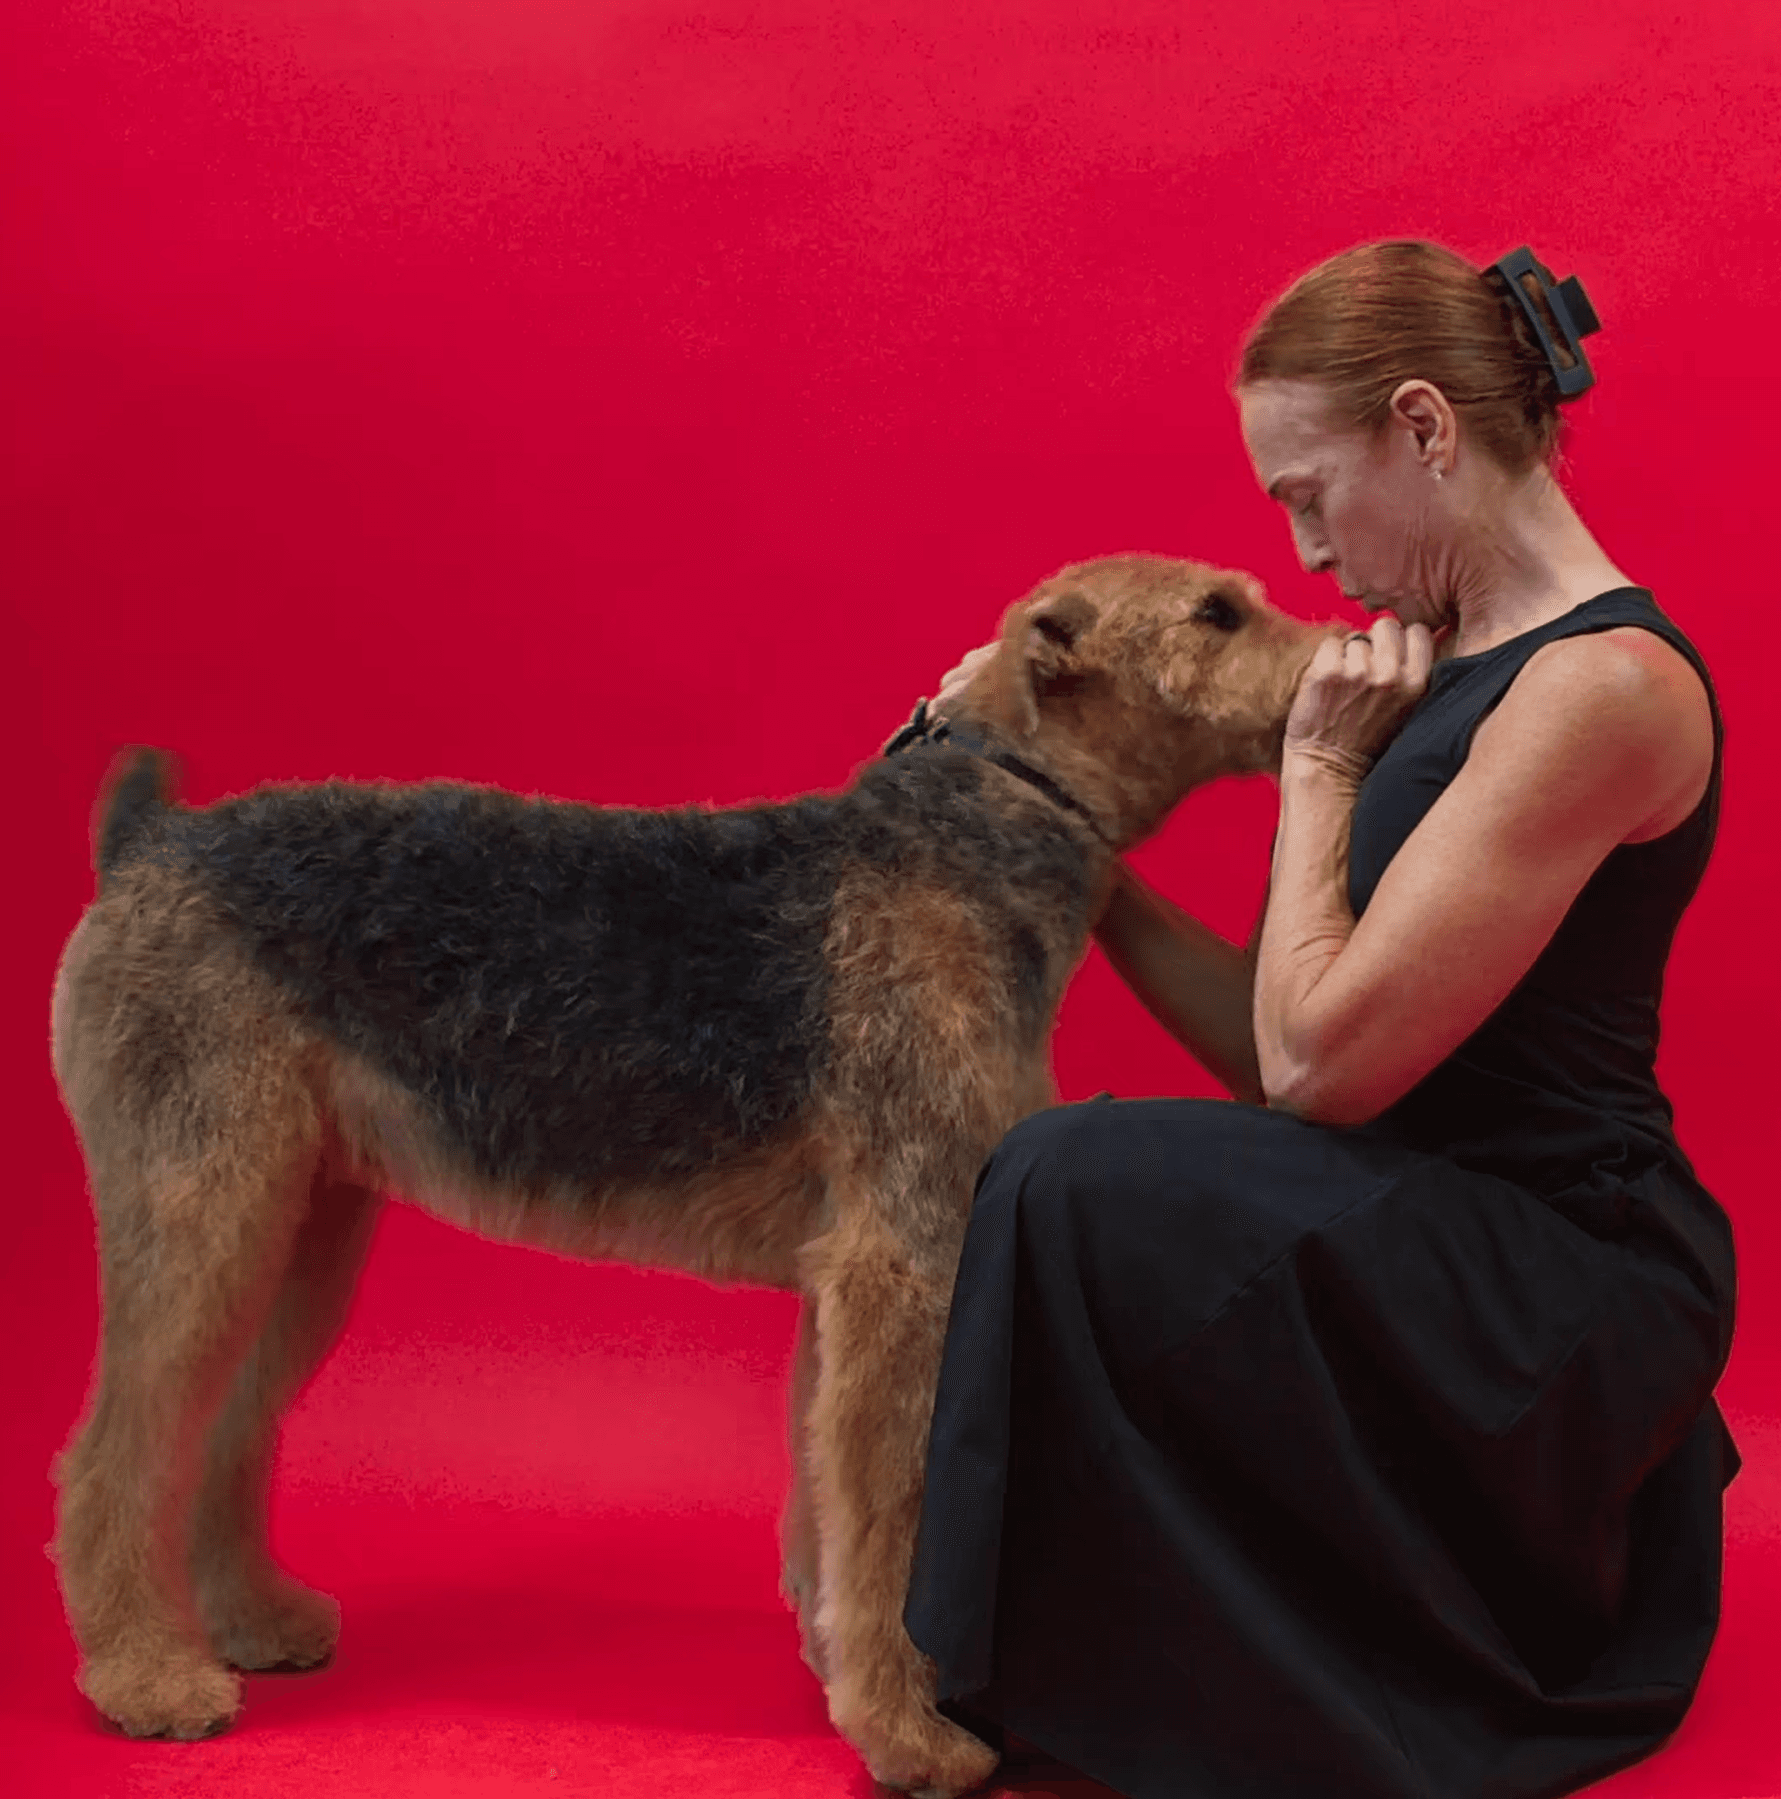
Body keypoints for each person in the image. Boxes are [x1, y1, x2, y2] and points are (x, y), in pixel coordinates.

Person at [900, 239, 1737, 1799]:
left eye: (1306, 491)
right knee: (1069, 1169)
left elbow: (1317, 1066)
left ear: (1426, 429)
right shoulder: (1450, 660)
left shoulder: (1601, 687)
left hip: (1556, 1268)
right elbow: (1285, 1067)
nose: (1301, 549)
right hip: (1409, 1207)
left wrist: (1321, 772)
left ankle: (1047, 1671)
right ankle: (1089, 1669)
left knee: (1070, 1179)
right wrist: (1032, 811)